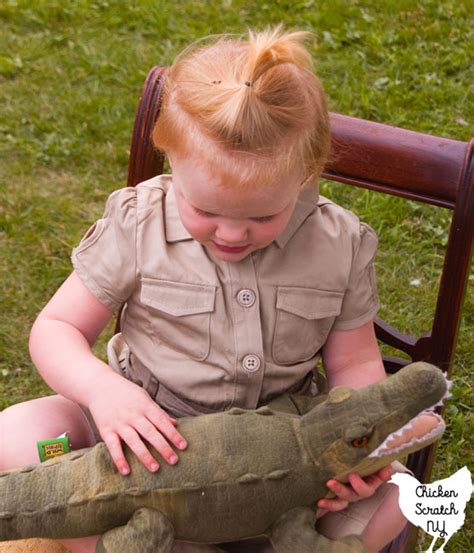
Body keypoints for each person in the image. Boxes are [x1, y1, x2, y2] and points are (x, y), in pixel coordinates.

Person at [1, 25, 410, 553]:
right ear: (170, 158)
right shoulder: (138, 223)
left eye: (264, 215)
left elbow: (354, 367)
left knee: (400, 493)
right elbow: (56, 329)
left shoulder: (339, 243)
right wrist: (105, 393)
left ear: (307, 173)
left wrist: (357, 450)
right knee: (20, 433)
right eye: (206, 210)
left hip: (281, 463)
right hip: (137, 447)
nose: (232, 234)